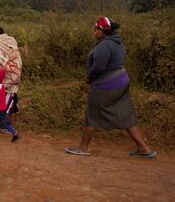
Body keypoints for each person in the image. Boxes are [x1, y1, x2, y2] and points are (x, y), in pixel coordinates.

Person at [65, 16, 157, 158]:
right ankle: (143, 148)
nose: (94, 32)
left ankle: (83, 148)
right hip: (121, 82)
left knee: (92, 114)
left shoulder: (103, 46)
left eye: (96, 29)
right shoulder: (117, 43)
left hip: (106, 85)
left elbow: (99, 67)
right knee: (126, 114)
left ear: (102, 30)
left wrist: (89, 78)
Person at [0, 25, 22, 127]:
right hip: (14, 76)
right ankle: (12, 125)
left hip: (0, 79)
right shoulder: (12, 41)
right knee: (13, 102)